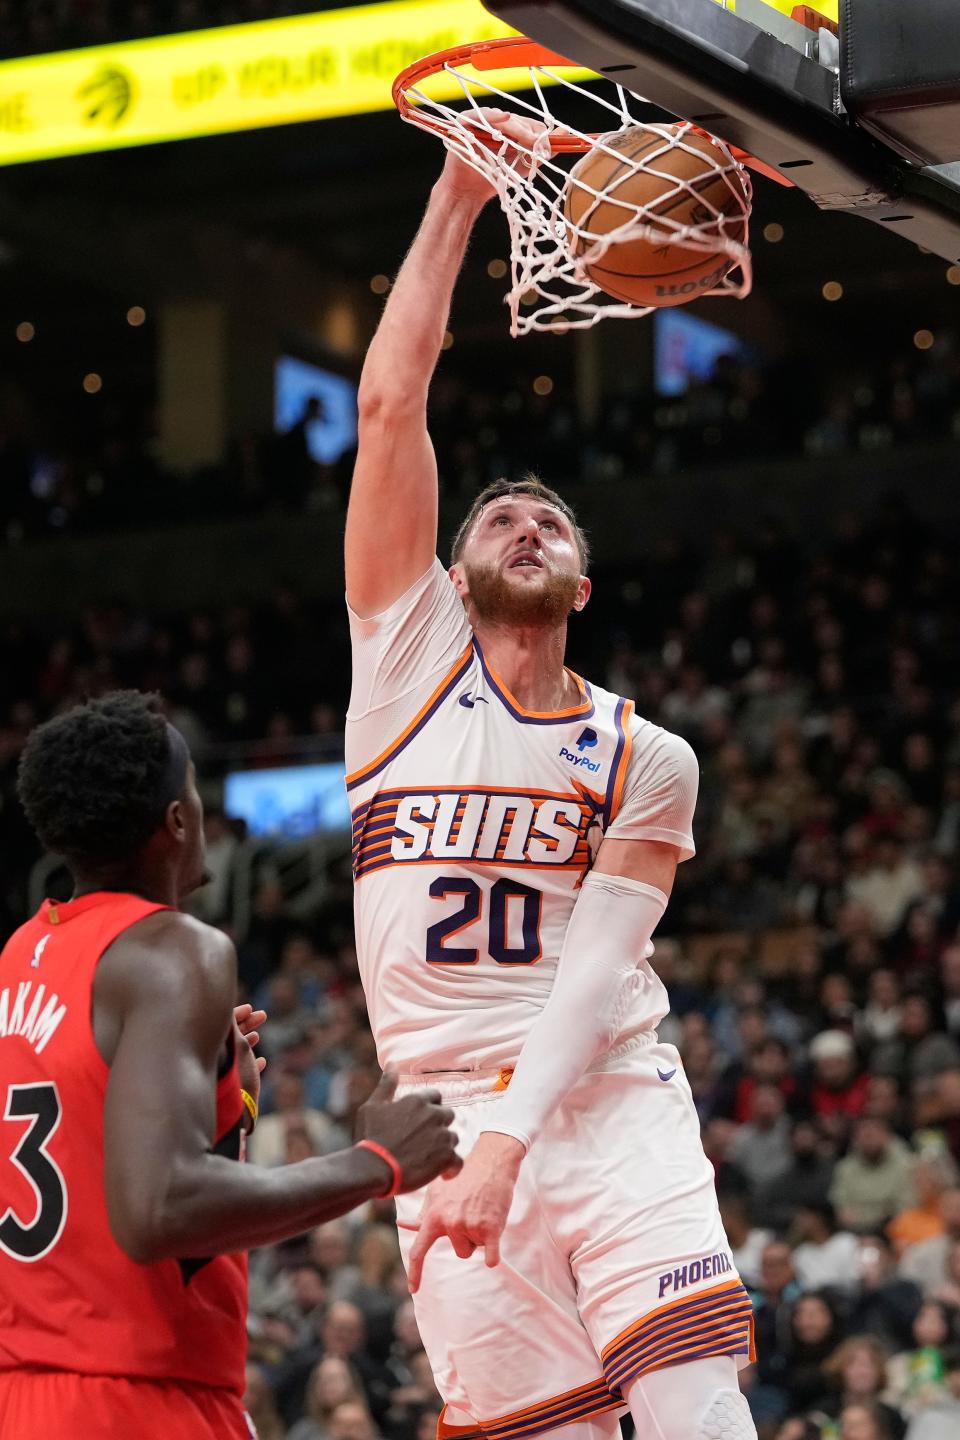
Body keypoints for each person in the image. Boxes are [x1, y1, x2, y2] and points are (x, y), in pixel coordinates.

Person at [344, 109, 756, 1440]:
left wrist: (517, 1143)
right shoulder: (406, 672)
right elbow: (390, 405)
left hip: (606, 1093)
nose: (524, 524)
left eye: (551, 521)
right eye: (497, 517)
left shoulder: (649, 755)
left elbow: (593, 975)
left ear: (587, 579)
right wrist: (460, 196)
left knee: (695, 1409)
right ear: (452, 575)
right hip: (440, 1118)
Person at [0, 692, 460, 1439]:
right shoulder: (175, 950)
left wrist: (232, 1110)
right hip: (135, 1397)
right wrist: (378, 1160)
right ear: (178, 822)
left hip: (25, 1392)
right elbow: (159, 1210)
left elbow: (97, 1168)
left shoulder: (25, 953)